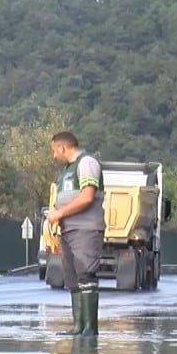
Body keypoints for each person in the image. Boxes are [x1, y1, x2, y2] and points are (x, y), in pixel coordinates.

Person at [46, 131, 104, 336]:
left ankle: (90, 327)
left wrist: (60, 212)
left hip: (85, 229)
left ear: (62, 147)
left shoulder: (86, 163)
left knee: (86, 273)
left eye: (54, 150)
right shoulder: (66, 172)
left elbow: (87, 197)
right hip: (68, 230)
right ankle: (78, 325)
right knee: (72, 278)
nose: (53, 156)